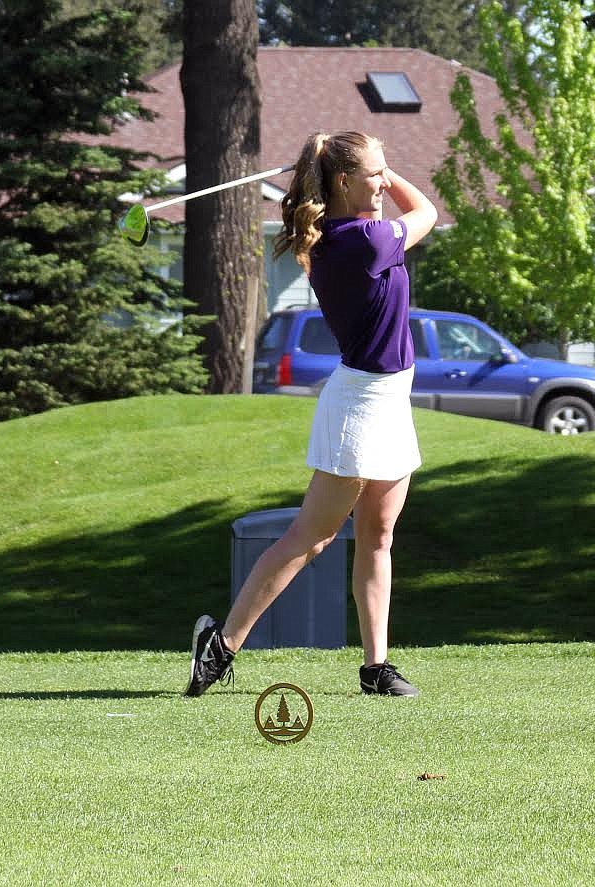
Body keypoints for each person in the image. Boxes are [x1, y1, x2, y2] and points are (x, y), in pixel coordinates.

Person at [184, 131, 437, 698]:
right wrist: (378, 176)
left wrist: (355, 162)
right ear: (345, 182)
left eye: (386, 171)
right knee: (311, 537)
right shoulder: (363, 240)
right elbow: (427, 211)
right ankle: (221, 648)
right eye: (374, 173)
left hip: (392, 400)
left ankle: (377, 666)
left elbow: (403, 204)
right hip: (359, 406)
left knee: (378, 535)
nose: (385, 180)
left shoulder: (350, 233)